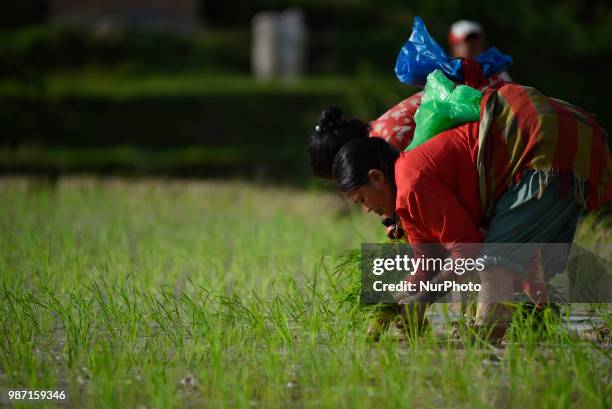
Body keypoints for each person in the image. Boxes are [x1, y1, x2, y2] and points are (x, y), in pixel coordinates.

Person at [331, 81, 611, 341]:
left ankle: (488, 345)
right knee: (523, 275)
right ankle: (533, 327)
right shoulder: (407, 200)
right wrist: (387, 308)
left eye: (361, 199)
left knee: (495, 262)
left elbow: (468, 252)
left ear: (377, 177)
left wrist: (423, 301)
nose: (366, 210)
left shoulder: (412, 180)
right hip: (562, 140)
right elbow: (426, 266)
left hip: (544, 143)